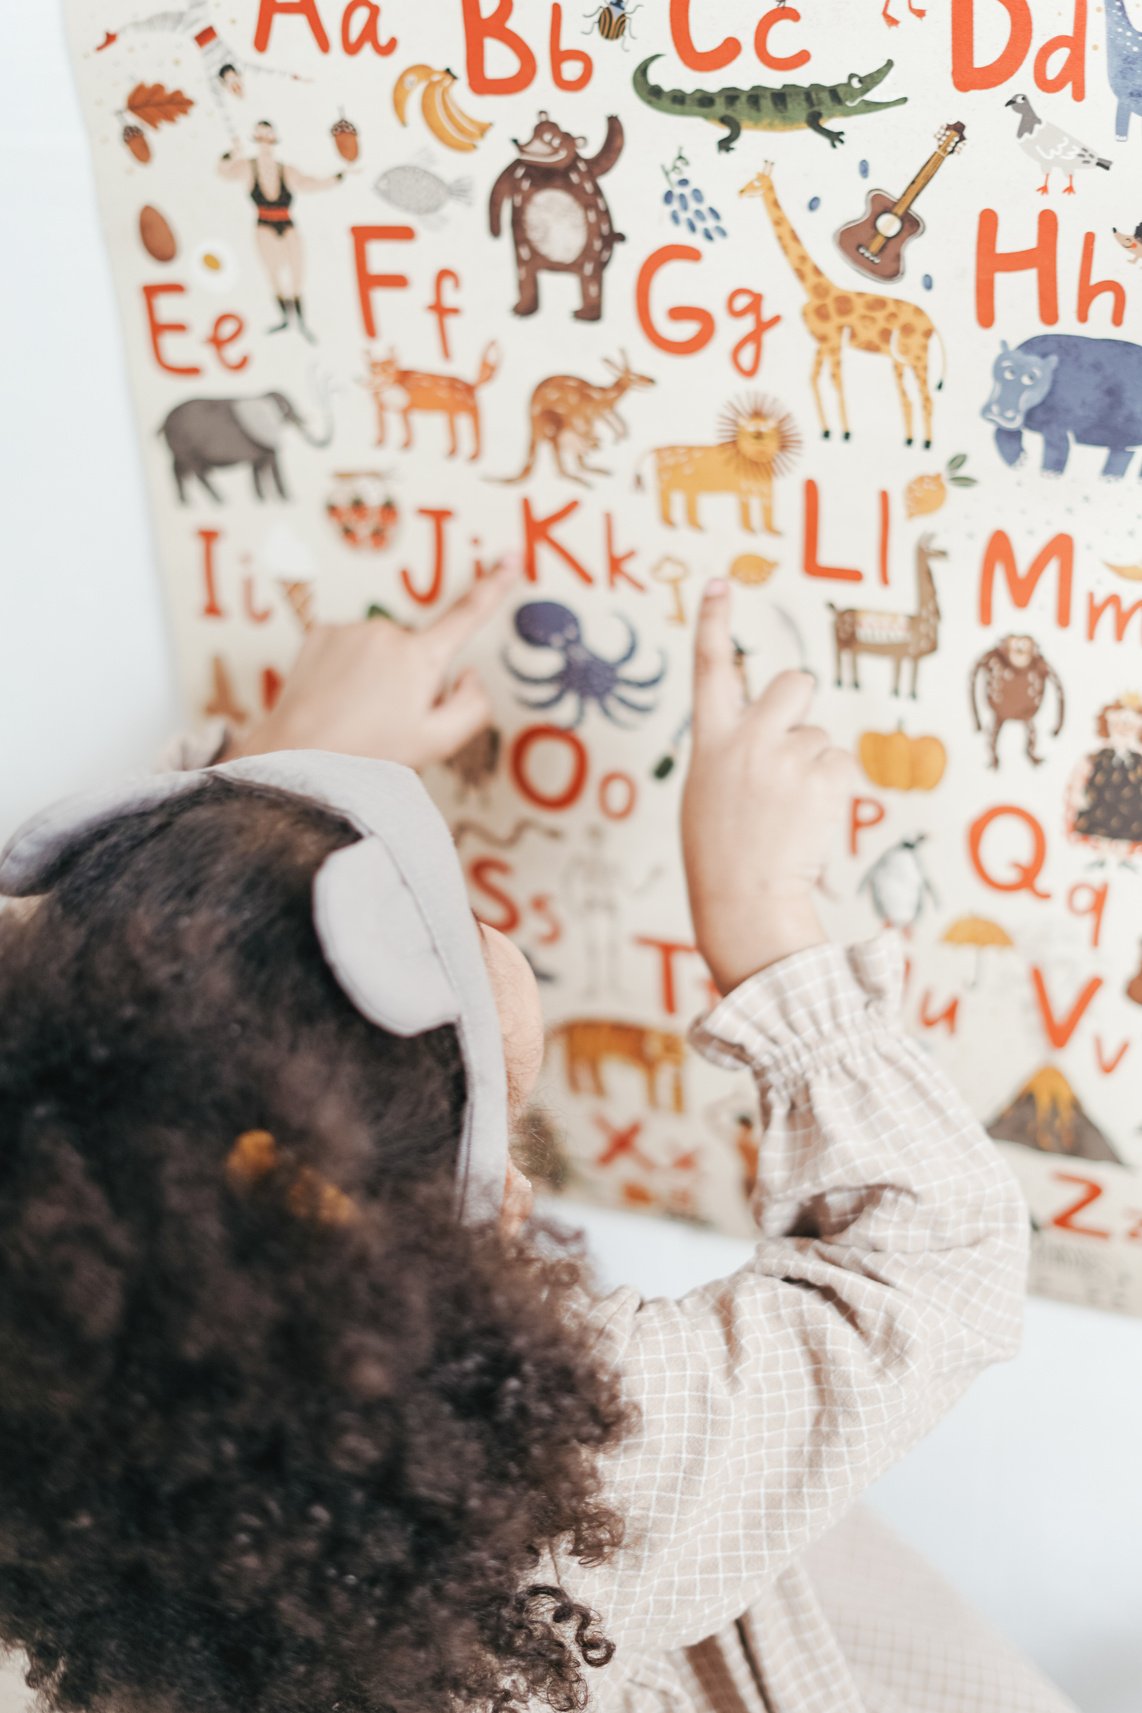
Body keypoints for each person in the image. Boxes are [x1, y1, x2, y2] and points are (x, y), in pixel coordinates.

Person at [0, 569, 1077, 1713]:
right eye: (463, 919)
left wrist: (270, 805)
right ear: (502, 1205)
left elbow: (137, 1068)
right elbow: (929, 1266)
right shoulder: (567, 1477)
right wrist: (763, 920)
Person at [219, 119, 347, 342]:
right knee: (273, 273)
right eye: (260, 137)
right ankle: (285, 319)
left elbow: (309, 184)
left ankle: (301, 321)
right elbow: (224, 173)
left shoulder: (286, 170)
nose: (264, 142)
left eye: (268, 137)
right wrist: (231, 154)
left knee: (297, 271)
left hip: (287, 223)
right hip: (264, 225)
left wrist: (336, 179)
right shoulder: (247, 168)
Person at [96, 4, 306, 134]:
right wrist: (293, 76)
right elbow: (266, 71)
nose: (235, 86)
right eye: (239, 87)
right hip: (202, 18)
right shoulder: (239, 64)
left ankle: (116, 35)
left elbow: (223, 110)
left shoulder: (213, 76)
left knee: (151, 24)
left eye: (233, 90)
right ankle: (116, 35)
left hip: (186, 28)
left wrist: (235, 139)